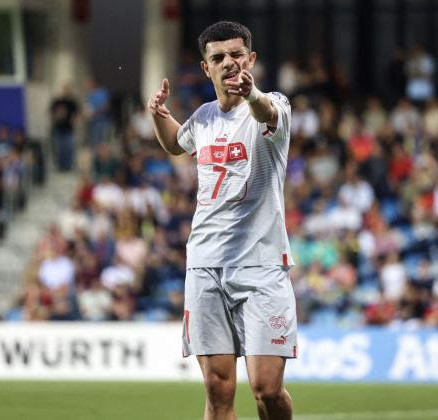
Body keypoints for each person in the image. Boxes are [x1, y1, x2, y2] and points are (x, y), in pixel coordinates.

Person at [147, 21, 296, 420]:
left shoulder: (273, 105)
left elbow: (265, 110)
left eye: (236, 54)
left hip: (261, 265)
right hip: (205, 265)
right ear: (205, 67)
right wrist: (159, 114)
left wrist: (252, 95)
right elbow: (177, 144)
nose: (229, 63)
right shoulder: (203, 117)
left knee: (266, 390)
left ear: (251, 58)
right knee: (217, 390)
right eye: (219, 58)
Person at [50, 84, 79, 171]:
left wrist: (74, 119)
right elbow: (50, 111)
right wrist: (57, 115)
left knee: (69, 149)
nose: (65, 92)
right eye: (64, 90)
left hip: (68, 129)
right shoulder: (57, 101)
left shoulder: (72, 102)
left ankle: (68, 166)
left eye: (67, 90)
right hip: (58, 129)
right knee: (59, 149)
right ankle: (60, 166)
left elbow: (77, 113)